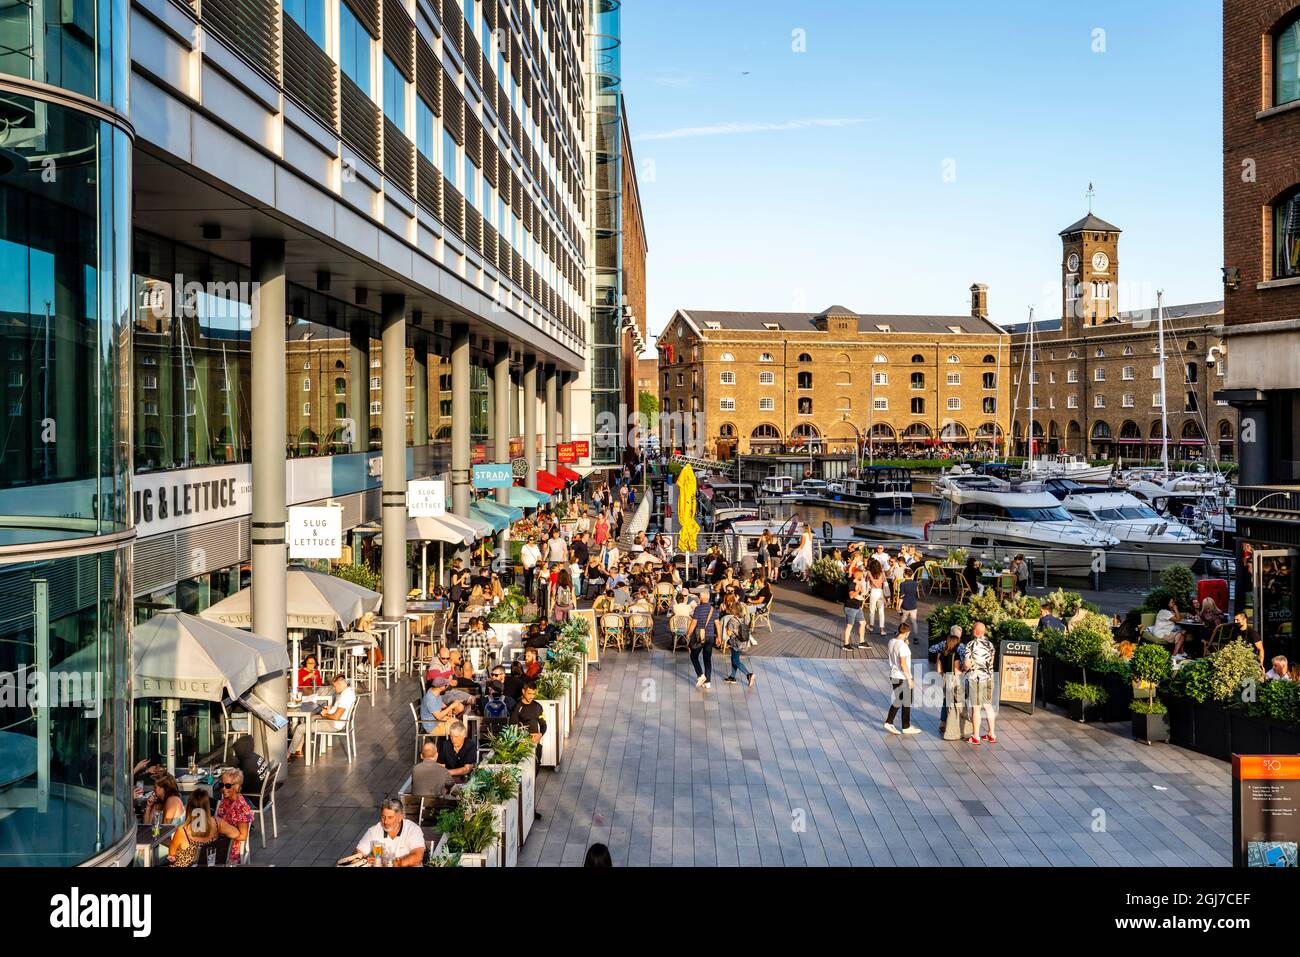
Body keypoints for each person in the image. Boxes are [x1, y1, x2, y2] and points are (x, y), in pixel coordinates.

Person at [292, 673, 356, 754]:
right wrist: (330, 710)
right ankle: (298, 749)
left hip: (334, 724)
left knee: (300, 728)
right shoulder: (348, 692)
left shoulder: (345, 697)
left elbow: (336, 717)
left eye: (335, 686)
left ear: (340, 684)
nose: (334, 689)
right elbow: (339, 710)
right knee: (310, 719)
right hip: (336, 722)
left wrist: (325, 714)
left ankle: (288, 753)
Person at [356, 799, 425, 867]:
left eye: (390, 817)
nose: (385, 822)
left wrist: (392, 864)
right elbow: (357, 853)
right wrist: (365, 860)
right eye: (383, 817)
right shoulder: (373, 831)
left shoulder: (413, 829)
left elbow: (417, 857)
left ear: (400, 817)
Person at [961, 622, 997, 745]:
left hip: (976, 679)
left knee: (976, 707)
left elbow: (967, 663)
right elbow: (991, 661)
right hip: (989, 677)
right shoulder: (990, 645)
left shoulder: (970, 645)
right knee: (988, 705)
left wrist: (963, 670)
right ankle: (991, 734)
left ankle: (975, 737)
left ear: (975, 632)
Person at [929, 626, 966, 740]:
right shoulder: (960, 646)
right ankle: (955, 725)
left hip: (945, 677)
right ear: (959, 635)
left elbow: (931, 649)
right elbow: (962, 663)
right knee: (957, 701)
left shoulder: (943, 645)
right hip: (955, 678)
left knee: (946, 699)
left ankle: (943, 723)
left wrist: (940, 653)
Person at [883, 623, 920, 735]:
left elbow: (897, 649)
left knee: (900, 700)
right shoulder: (903, 646)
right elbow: (903, 664)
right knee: (905, 701)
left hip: (894, 674)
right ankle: (901, 725)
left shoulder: (891, 641)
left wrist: (905, 643)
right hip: (902, 676)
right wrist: (909, 679)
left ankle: (901, 724)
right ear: (907, 633)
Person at [166, 789, 217, 867]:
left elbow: (171, 854)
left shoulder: (183, 830)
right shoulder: (217, 823)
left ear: (189, 807)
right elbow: (237, 834)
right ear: (207, 806)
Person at [214, 769, 254, 865]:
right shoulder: (226, 800)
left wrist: (224, 830)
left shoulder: (241, 808)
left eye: (227, 786)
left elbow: (243, 836)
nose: (223, 789)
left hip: (229, 847)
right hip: (218, 839)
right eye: (221, 785)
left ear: (237, 787)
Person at [720, 599, 756, 687]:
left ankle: (748, 674)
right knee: (734, 659)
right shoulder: (745, 617)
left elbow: (729, 633)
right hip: (743, 642)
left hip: (735, 643)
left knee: (736, 661)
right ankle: (732, 677)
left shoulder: (732, 620)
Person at [688, 585, 717, 689]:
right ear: (708, 598)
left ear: (700, 598)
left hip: (699, 636)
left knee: (693, 656)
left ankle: (700, 675)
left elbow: (693, 623)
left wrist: (689, 633)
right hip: (710, 636)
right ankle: (708, 682)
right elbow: (717, 624)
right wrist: (718, 637)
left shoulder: (698, 608)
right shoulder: (713, 609)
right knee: (707, 659)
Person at [231, 735, 269, 800]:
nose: (236, 755)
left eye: (237, 752)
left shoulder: (247, 766)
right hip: (264, 796)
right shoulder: (257, 757)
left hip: (254, 799)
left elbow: (242, 787)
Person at [843, 567, 868, 651]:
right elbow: (851, 595)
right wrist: (858, 590)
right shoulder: (851, 583)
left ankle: (862, 642)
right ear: (857, 574)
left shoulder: (858, 582)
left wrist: (860, 587)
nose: (862, 576)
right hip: (850, 607)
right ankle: (846, 644)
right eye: (861, 574)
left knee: (863, 623)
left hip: (857, 606)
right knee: (849, 625)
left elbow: (862, 592)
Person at [897, 566, 920, 639]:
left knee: (903, 621)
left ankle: (900, 633)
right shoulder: (915, 583)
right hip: (913, 604)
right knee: (914, 622)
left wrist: (898, 606)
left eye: (904, 573)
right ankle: (916, 637)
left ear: (905, 574)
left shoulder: (903, 584)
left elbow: (902, 597)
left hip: (905, 605)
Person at [866, 560, 888, 637]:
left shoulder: (869, 573)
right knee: (881, 611)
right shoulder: (882, 573)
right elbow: (884, 581)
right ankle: (882, 630)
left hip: (873, 592)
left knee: (872, 610)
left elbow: (867, 581)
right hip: (880, 592)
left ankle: (871, 626)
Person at [520, 536, 542, 600]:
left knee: (534, 582)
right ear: (528, 540)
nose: (531, 541)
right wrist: (524, 564)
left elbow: (538, 556)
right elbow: (522, 557)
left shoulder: (536, 547)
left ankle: (533, 595)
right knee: (527, 582)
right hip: (527, 566)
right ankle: (527, 595)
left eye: (533, 540)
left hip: (535, 567)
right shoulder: (524, 547)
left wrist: (540, 564)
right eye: (530, 539)